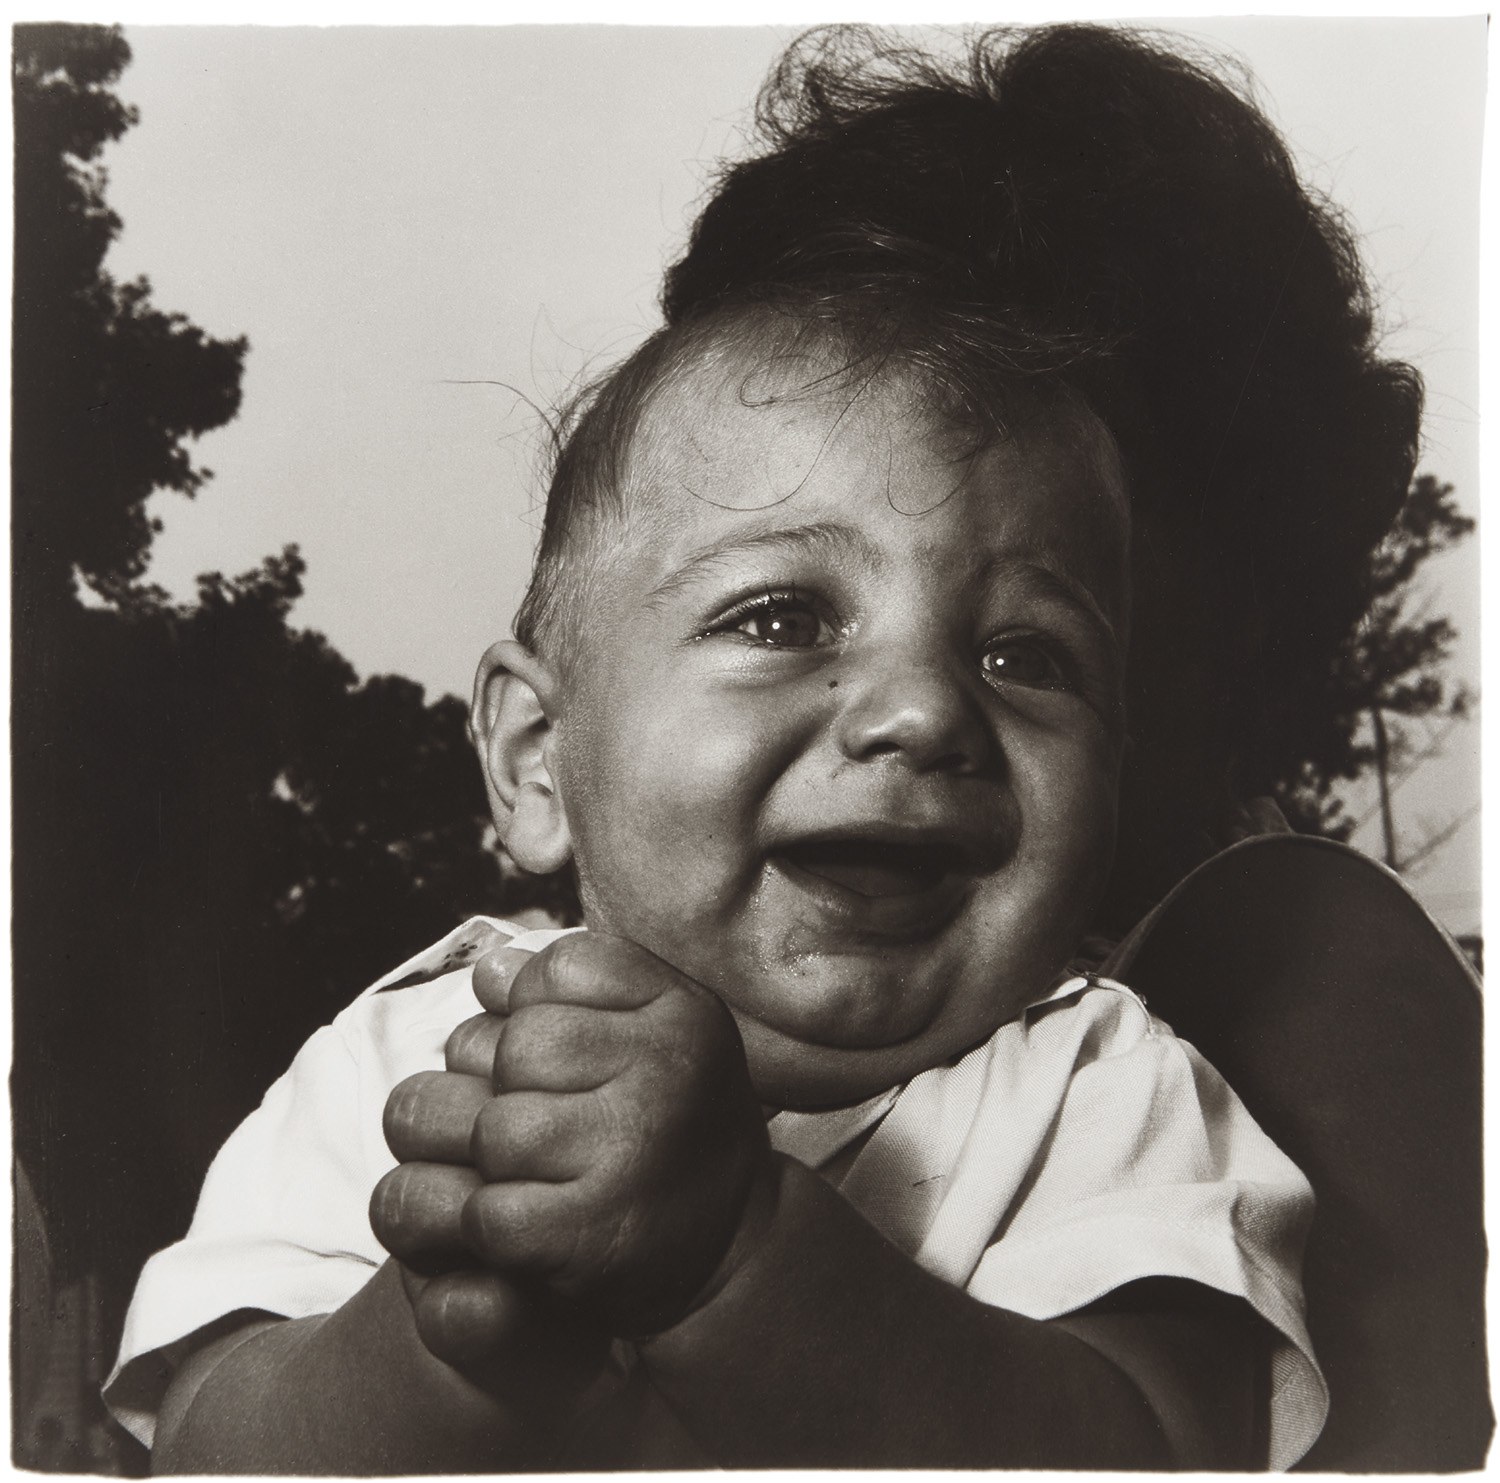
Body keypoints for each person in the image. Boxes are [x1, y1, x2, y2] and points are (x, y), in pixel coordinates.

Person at [103, 24, 1421, 1471]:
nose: (922, 713)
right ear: (539, 759)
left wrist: (740, 1263)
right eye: (788, 614)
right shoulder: (412, 1053)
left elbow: (1157, 1447)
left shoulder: (1103, 1086)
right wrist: (445, 1335)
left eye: (1031, 651)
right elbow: (214, 1446)